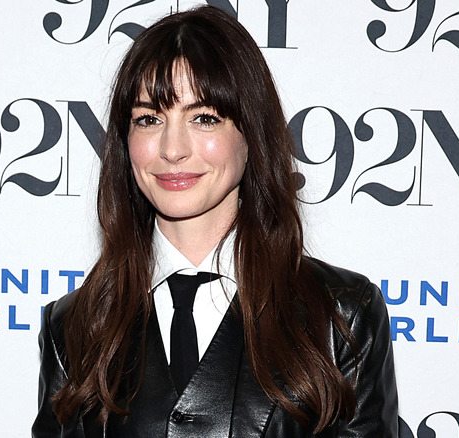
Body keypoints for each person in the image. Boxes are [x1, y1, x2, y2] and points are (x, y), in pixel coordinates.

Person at [32, 6, 398, 437]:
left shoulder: (341, 316)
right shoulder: (75, 327)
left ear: (252, 135)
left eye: (204, 117)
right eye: (149, 119)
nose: (172, 149)